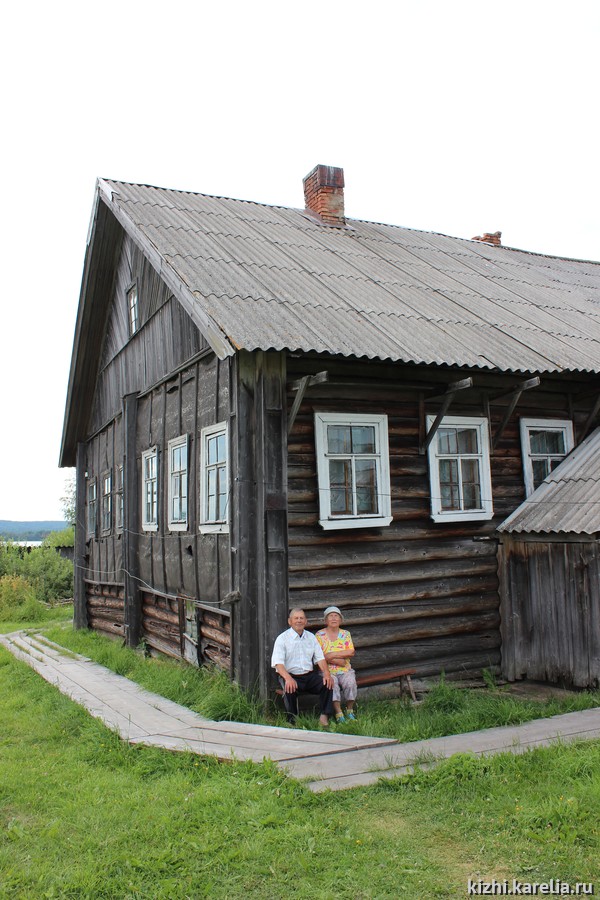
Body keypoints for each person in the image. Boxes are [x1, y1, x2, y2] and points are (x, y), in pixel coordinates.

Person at [272, 608, 334, 726]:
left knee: (328, 683)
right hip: (290, 676)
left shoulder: (311, 637)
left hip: (309, 676)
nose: (299, 621)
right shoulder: (282, 639)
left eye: (301, 618)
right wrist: (288, 678)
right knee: (289, 688)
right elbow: (278, 664)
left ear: (305, 621)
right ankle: (292, 721)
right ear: (290, 621)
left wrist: (326, 673)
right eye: (296, 618)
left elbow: (320, 658)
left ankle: (324, 716)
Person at [316, 606, 357, 724]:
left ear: (340, 619)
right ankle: (339, 713)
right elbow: (319, 655)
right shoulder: (320, 635)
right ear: (326, 620)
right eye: (330, 616)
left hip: (345, 669)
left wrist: (331, 654)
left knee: (350, 683)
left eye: (336, 616)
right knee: (332, 685)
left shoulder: (345, 634)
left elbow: (351, 652)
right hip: (327, 671)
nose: (334, 618)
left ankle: (349, 710)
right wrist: (339, 661)